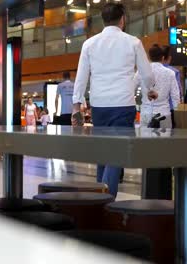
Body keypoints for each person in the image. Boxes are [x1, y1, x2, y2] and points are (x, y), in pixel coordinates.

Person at [72, 3, 154, 197]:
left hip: (99, 106)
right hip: (123, 104)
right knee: (116, 155)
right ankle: (106, 199)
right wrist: (150, 90)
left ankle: (99, 200)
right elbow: (147, 74)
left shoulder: (89, 44)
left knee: (103, 154)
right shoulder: (133, 42)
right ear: (123, 19)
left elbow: (81, 76)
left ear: (103, 19)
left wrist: (77, 106)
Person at [137, 44, 179, 128]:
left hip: (146, 112)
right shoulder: (170, 73)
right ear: (163, 58)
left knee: (145, 140)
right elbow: (175, 96)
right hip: (164, 114)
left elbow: (132, 87)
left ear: (149, 57)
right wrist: (176, 110)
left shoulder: (141, 72)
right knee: (164, 140)